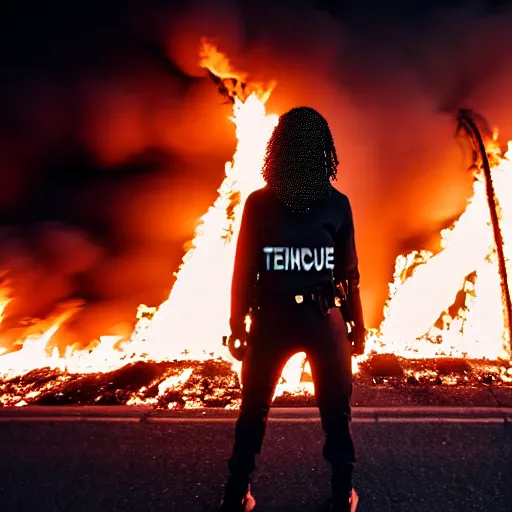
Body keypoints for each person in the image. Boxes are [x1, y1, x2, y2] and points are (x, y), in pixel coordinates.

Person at [218, 106, 366, 512]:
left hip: (272, 319)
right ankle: (342, 494)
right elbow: (349, 275)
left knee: (254, 411)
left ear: (277, 149)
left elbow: (244, 271)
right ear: (324, 150)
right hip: (323, 320)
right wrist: (358, 325)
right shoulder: (337, 205)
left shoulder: (259, 204)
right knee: (337, 413)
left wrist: (237, 322)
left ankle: (235, 495)